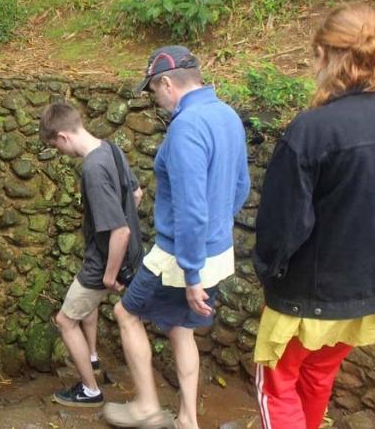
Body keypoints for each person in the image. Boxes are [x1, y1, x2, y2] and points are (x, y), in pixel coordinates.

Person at [252, 3, 375, 429]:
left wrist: (268, 272)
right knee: (318, 375)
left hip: (307, 296)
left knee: (275, 385)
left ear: (327, 56)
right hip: (371, 293)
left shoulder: (312, 129)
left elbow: (283, 226)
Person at [103, 45, 250, 429]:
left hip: (179, 255)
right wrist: (213, 239)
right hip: (218, 251)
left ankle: (147, 407)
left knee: (126, 313)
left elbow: (190, 208)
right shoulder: (227, 115)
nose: (156, 99)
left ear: (167, 82)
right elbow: (240, 188)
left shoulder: (186, 127)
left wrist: (191, 273)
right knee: (181, 328)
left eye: (154, 90)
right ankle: (187, 419)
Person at [39, 102, 144, 407]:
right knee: (91, 307)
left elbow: (119, 231)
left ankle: (90, 390)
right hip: (128, 255)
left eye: (54, 145)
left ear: (63, 137)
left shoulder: (92, 168)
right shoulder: (111, 149)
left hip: (103, 264)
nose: (58, 152)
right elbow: (135, 194)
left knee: (65, 320)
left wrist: (110, 274)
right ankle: (93, 357)